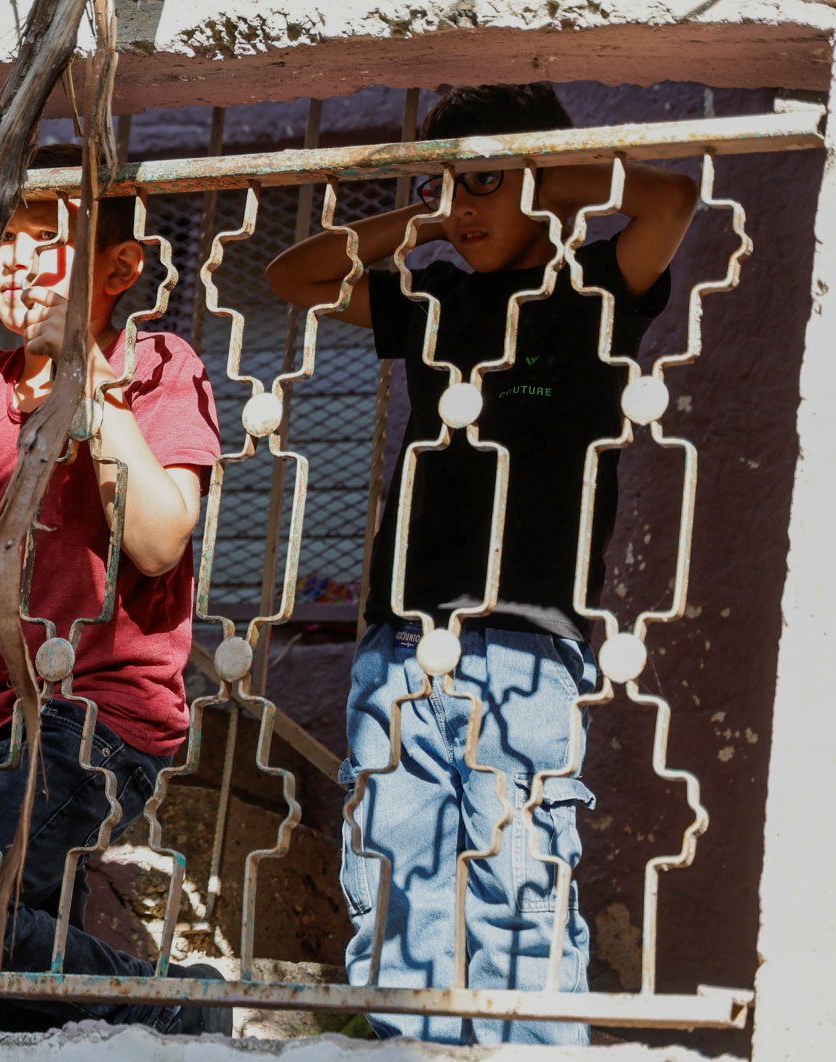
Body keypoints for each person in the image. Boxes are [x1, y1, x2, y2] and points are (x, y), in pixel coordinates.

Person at [266, 83, 696, 1046]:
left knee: (520, 890)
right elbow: (293, 278)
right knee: (395, 882)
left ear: (547, 183)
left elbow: (670, 200)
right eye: (446, 183)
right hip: (401, 638)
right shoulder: (435, 297)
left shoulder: (596, 283)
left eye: (486, 183)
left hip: (527, 647)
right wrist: (433, 204)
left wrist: (534, 177)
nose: (465, 208)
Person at [0, 143, 226, 1034]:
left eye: (48, 236)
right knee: (12, 985)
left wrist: (89, 380)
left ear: (119, 267)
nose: (18, 259)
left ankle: (184, 1010)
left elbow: (157, 540)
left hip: (94, 716)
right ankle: (132, 1030)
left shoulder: (155, 365)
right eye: (1, 236)